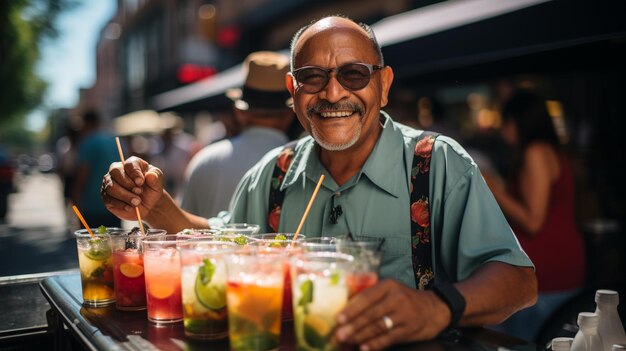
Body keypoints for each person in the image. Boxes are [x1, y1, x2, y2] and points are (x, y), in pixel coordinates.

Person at [101, 15, 537, 350]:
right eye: (312, 77)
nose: (332, 94)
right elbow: (221, 244)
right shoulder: (274, 172)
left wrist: (437, 307)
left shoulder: (435, 163)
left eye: (353, 75)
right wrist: (158, 208)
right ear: (293, 92)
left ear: (383, 85)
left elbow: (518, 282)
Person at [484, 89, 587, 342]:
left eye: (506, 123)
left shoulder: (536, 152)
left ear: (519, 123)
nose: (502, 130)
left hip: (547, 270)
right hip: (556, 265)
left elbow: (533, 220)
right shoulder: (552, 151)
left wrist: (493, 188)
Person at [180, 51, 296, 218]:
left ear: (239, 112)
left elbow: (182, 231)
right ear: (291, 112)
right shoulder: (303, 165)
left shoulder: (203, 161)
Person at [73, 110, 121, 228]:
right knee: (115, 244)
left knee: (93, 244)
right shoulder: (112, 140)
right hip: (116, 205)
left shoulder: (87, 142)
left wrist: (76, 199)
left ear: (86, 123)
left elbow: (82, 175)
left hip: (93, 206)